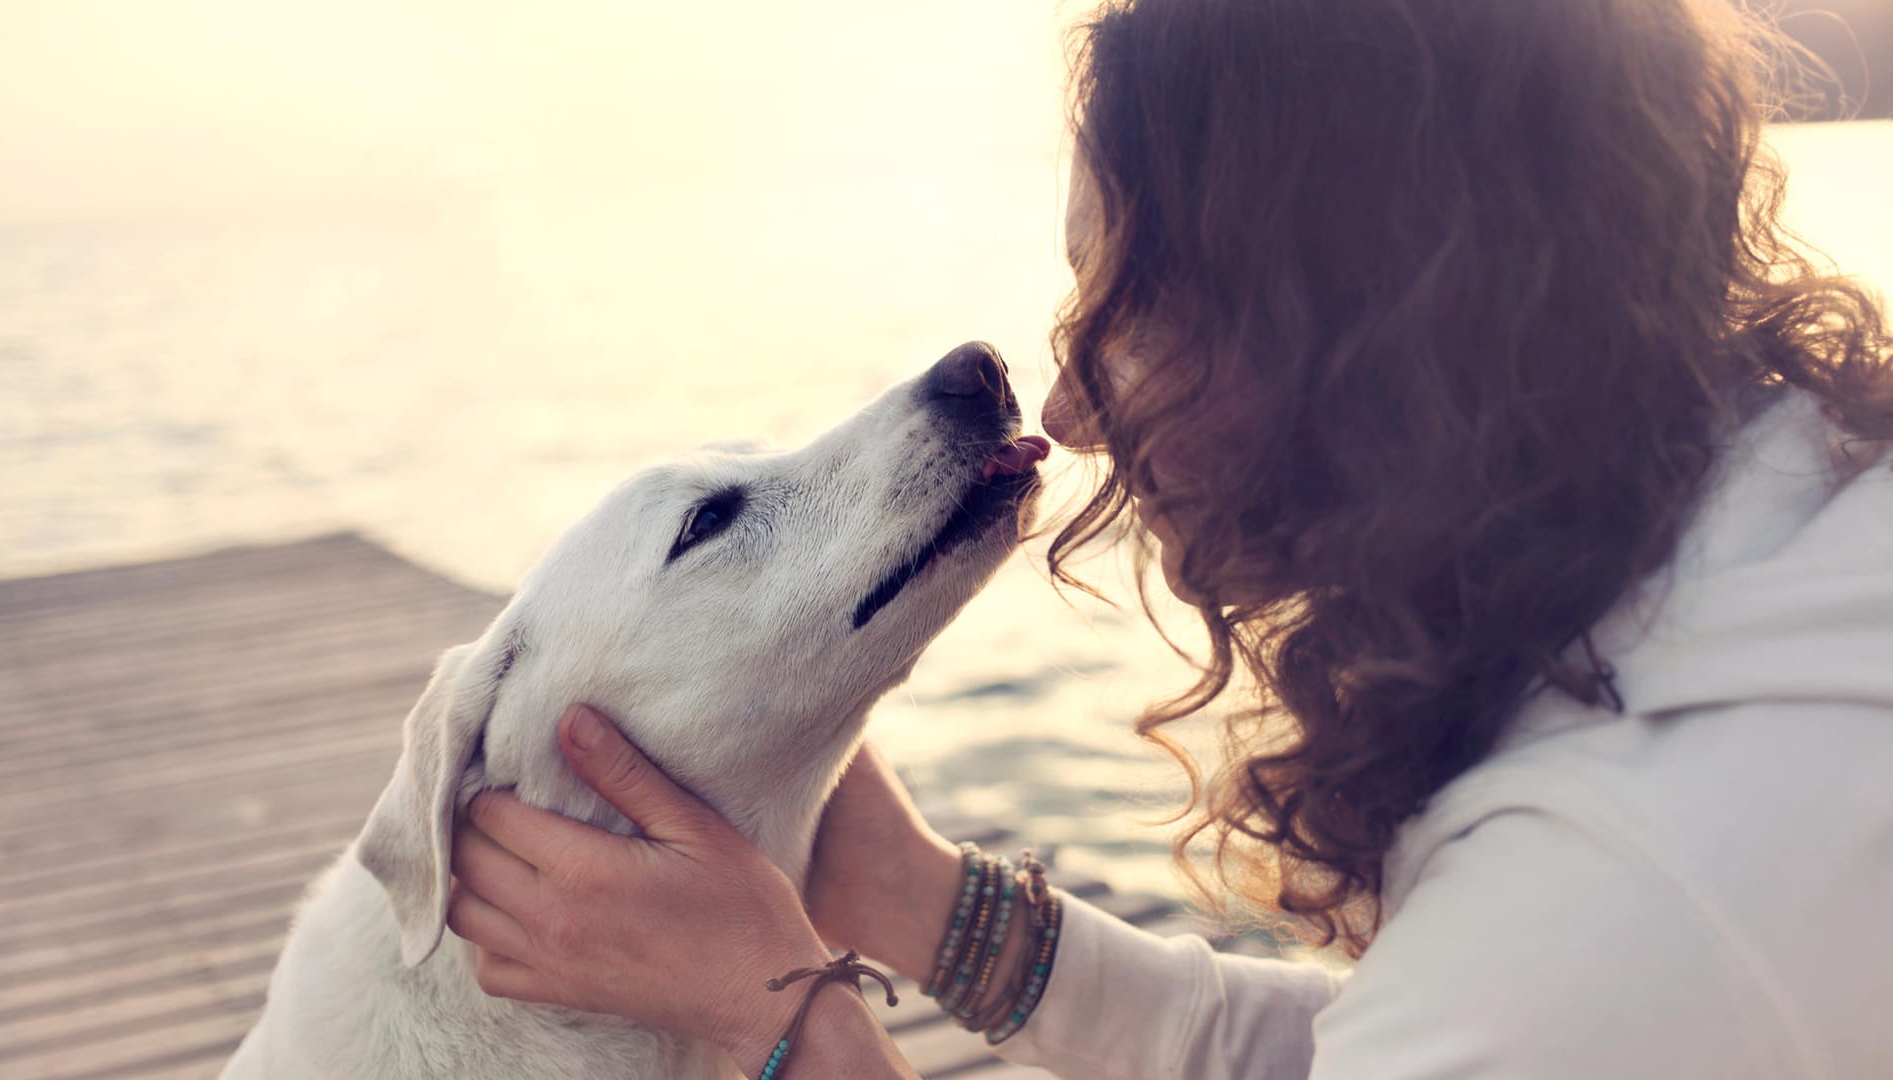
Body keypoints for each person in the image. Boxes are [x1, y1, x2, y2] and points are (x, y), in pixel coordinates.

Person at [443, 1, 1893, 1076]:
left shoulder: (1627, 893)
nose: (1065, 404)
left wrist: (783, 1020)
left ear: (1348, 326)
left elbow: (1528, 1002)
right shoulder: (1791, 548)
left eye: (1116, 300)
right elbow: (1391, 1045)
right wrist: (913, 900)